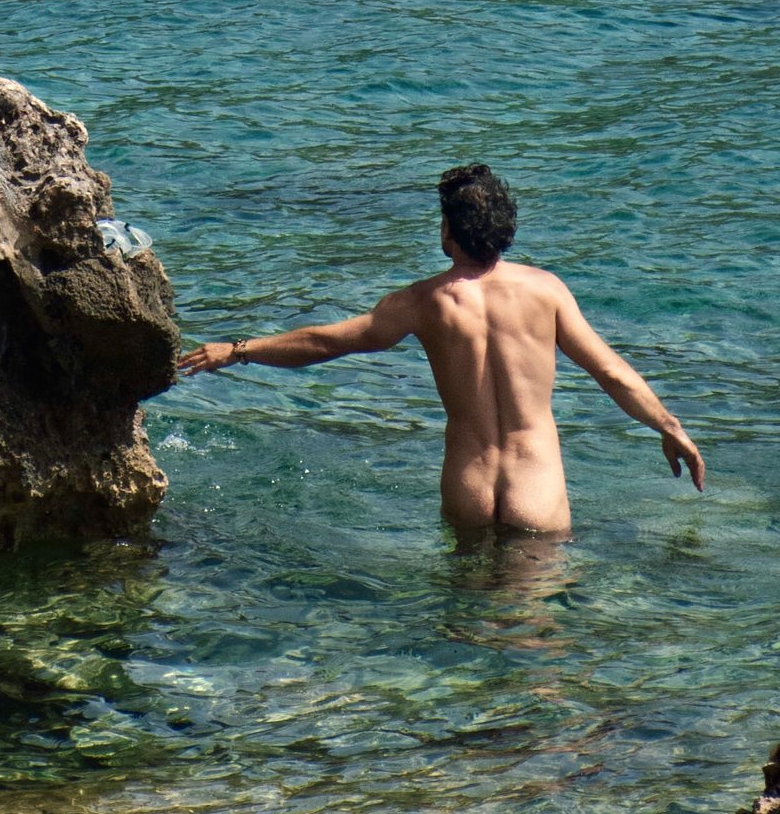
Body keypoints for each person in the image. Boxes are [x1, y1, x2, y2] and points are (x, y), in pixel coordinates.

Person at [175, 164, 704, 538]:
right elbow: (611, 373)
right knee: (538, 648)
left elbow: (326, 341)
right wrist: (668, 425)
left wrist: (239, 349)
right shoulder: (547, 291)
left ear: (450, 229)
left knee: (462, 643)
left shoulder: (425, 302)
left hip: (468, 489)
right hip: (536, 489)